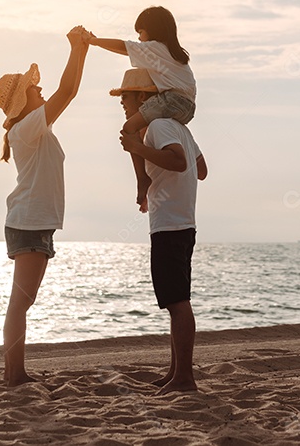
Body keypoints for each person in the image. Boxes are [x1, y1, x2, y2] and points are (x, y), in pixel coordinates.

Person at [0, 26, 89, 386]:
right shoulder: (26, 129)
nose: (41, 89)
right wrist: (74, 48)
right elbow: (66, 93)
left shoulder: (34, 128)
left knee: (23, 302)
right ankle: (15, 375)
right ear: (22, 101)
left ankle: (14, 372)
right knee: (20, 303)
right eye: (35, 88)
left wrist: (82, 50)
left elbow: (70, 91)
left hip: (34, 222)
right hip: (29, 222)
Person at [110, 68, 207, 394]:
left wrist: (139, 150)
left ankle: (184, 378)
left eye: (125, 96)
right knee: (176, 299)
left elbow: (178, 162)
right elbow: (201, 169)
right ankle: (176, 371)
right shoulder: (177, 127)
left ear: (142, 97)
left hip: (169, 224)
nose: (122, 102)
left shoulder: (159, 125)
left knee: (177, 302)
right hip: (184, 222)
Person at [87, 6, 196, 213]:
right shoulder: (177, 55)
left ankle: (142, 179)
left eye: (140, 32)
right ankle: (145, 173)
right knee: (143, 128)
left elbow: (123, 47)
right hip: (188, 108)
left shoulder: (155, 48)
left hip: (172, 100)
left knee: (129, 128)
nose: (140, 38)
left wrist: (94, 41)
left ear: (152, 30)